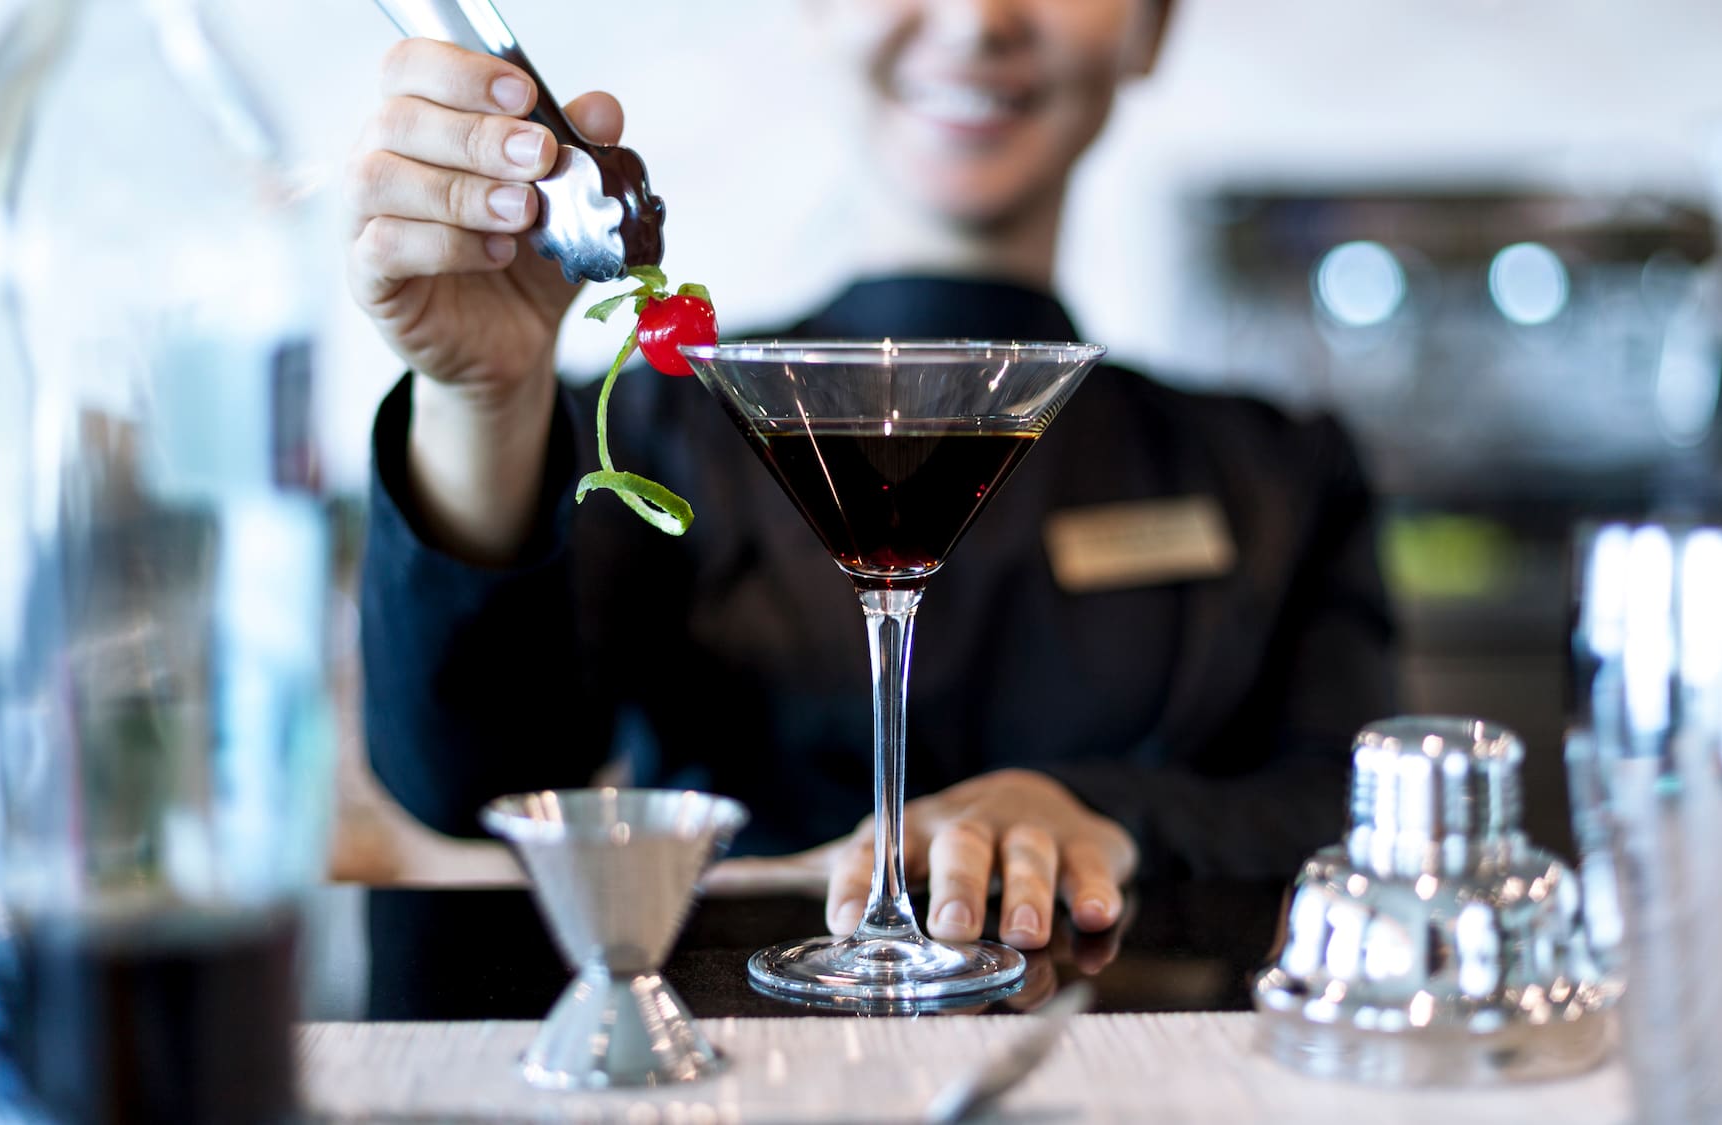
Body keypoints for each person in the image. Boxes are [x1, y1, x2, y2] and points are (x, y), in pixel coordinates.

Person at [348, 0, 1395, 953]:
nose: (981, 19)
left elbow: (1353, 809)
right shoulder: (657, 421)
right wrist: (482, 399)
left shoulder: (1277, 467)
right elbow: (473, 777)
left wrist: (1105, 817)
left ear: (1150, 27)